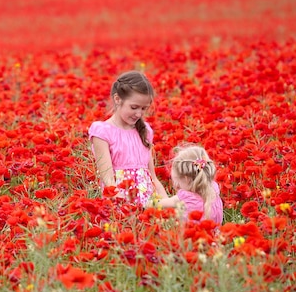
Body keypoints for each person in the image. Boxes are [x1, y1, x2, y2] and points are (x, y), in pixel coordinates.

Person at [88, 70, 168, 206]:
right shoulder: (102, 132)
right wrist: (124, 207)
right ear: (117, 99)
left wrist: (168, 204)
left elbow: (153, 178)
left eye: (144, 109)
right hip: (119, 204)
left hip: (148, 206)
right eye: (134, 107)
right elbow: (108, 180)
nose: (138, 114)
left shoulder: (145, 131)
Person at [158, 145, 224, 224]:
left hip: (191, 236)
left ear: (186, 178)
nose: (176, 186)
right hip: (215, 236)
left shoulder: (185, 197)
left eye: (177, 181)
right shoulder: (214, 189)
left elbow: (157, 204)